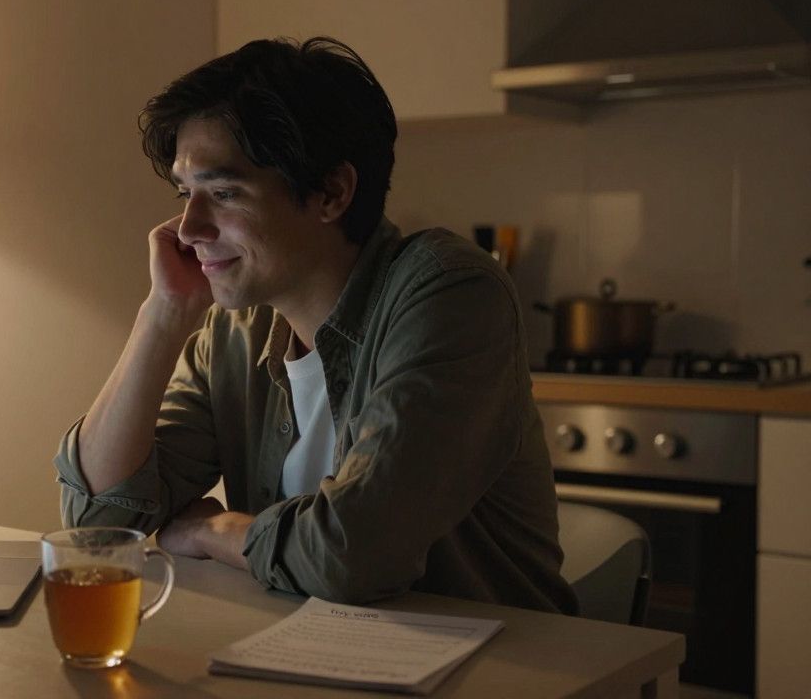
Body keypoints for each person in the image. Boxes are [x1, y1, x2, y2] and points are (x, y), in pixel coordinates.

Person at [53, 37, 577, 614]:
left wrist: (213, 530)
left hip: (505, 657)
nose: (188, 228)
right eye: (185, 194)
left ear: (331, 192)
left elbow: (352, 555)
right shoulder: (236, 330)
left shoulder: (450, 292)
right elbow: (98, 524)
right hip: (307, 651)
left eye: (223, 192)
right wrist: (162, 314)